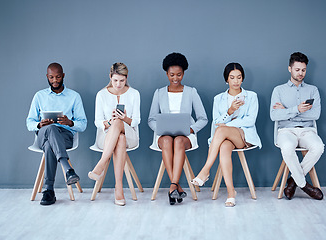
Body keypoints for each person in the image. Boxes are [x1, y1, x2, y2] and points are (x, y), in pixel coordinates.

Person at [191, 62, 261, 207]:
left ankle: (205, 170)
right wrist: (230, 111)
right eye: (232, 77)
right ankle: (231, 193)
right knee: (223, 147)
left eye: (239, 77)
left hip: (244, 137)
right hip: (225, 138)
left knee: (222, 130)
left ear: (243, 78)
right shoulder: (219, 99)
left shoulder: (251, 96)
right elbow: (216, 121)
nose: (236, 81)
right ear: (226, 79)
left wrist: (227, 124)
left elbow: (250, 120)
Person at [148, 52, 208, 205]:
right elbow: (151, 119)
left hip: (186, 135)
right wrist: (160, 128)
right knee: (168, 141)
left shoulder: (191, 92)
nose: (175, 78)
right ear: (166, 73)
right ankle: (176, 186)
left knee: (179, 141)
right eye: (172, 74)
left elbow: (203, 118)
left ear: (184, 73)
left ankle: (173, 186)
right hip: (164, 135)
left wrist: (192, 129)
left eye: (179, 75)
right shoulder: (159, 93)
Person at [26, 63, 87, 205]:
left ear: (63, 76)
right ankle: (68, 169)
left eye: (58, 77)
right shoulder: (39, 96)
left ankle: (48, 191)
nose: (55, 80)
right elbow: (29, 122)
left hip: (65, 136)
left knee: (49, 146)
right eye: (51, 77)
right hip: (43, 134)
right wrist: (39, 124)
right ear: (47, 77)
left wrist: (70, 122)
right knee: (51, 128)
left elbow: (83, 124)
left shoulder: (74, 96)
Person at [270, 52, 324, 200]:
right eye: (297, 70)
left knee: (319, 147)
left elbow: (315, 115)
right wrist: (297, 109)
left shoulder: (313, 90)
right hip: (286, 131)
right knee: (287, 148)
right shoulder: (278, 90)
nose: (300, 73)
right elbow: (274, 116)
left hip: (307, 130)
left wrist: (287, 111)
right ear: (290, 69)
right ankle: (305, 186)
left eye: (303, 70)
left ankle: (293, 181)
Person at [88, 63, 140, 206]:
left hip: (131, 134)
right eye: (115, 80)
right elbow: (97, 122)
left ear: (126, 78)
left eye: (122, 81)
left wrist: (124, 119)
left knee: (119, 124)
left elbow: (136, 121)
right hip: (106, 136)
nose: (118, 84)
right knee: (119, 137)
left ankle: (101, 164)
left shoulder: (134, 94)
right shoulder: (101, 94)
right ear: (110, 77)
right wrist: (110, 122)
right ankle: (119, 189)